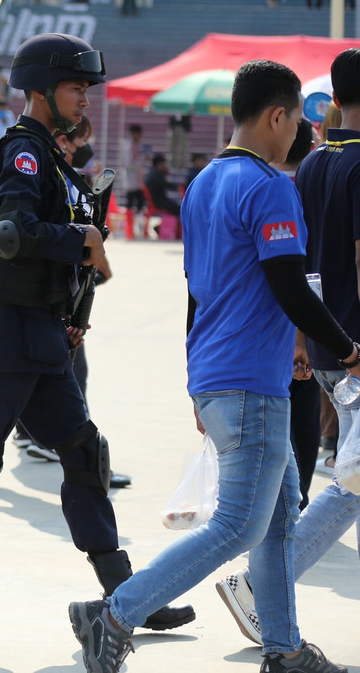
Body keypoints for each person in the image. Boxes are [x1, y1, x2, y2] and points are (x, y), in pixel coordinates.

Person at [0, 33, 193, 643]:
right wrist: (83, 242)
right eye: (76, 89)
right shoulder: (23, 153)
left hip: (41, 333)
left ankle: (126, 596)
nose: (85, 101)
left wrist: (71, 297)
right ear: (43, 92)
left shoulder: (51, 157)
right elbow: (11, 234)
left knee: (82, 451)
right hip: (12, 334)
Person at [71, 60, 356, 673]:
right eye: (294, 123)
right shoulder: (271, 186)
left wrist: (196, 380)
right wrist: (347, 346)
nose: (297, 138)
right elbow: (289, 283)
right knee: (237, 527)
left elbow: (197, 292)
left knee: (278, 524)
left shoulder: (203, 182)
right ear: (277, 116)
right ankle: (115, 614)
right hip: (252, 381)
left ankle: (284, 650)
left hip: (224, 374)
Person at [215, 49, 360, 648]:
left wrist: (304, 338)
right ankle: (260, 584)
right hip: (353, 345)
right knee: (352, 476)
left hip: (326, 343)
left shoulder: (318, 163)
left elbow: (301, 266)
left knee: (353, 472)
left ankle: (263, 584)